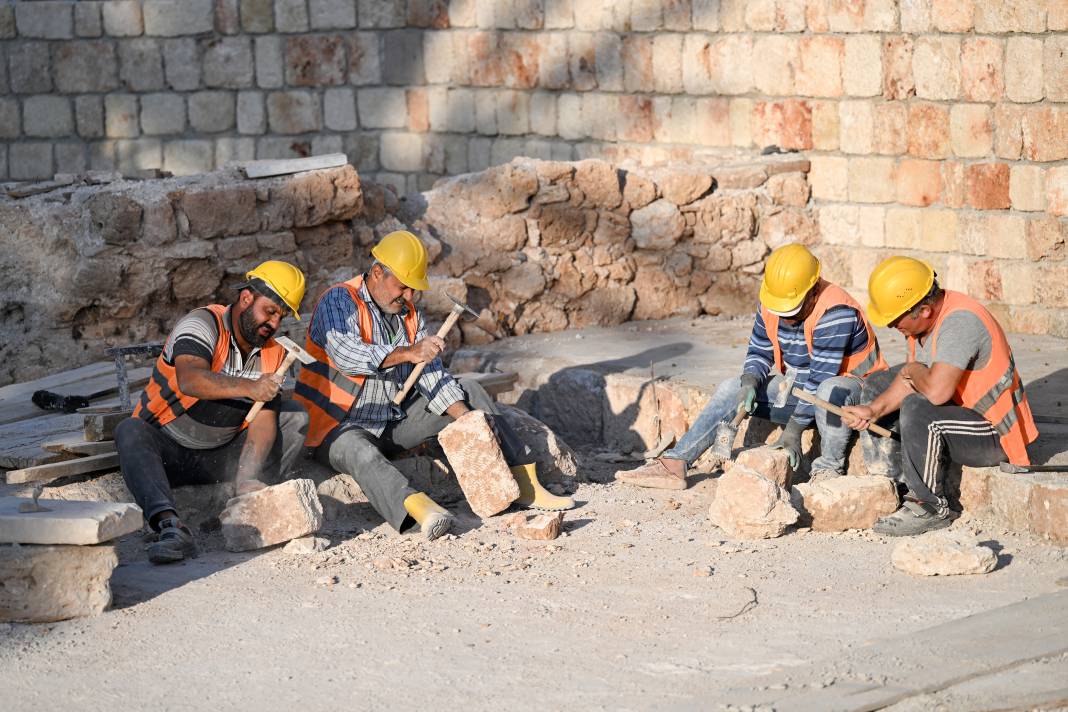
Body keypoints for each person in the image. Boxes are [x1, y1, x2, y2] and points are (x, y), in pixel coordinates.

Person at [294, 230, 572, 541]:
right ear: (376, 273)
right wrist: (409, 353)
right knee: (359, 452)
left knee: (471, 393)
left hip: (390, 420)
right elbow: (348, 356)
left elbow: (432, 375)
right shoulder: (339, 301)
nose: (409, 297)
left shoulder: (406, 313)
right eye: (403, 287)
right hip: (335, 426)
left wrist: (468, 421)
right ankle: (421, 511)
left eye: (413, 290)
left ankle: (523, 483)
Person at [616, 243, 887, 490]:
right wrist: (750, 381)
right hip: (803, 391)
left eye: (792, 311)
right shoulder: (774, 300)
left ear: (813, 290)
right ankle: (677, 463)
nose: (785, 317)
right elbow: (760, 349)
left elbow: (818, 380)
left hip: (852, 395)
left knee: (830, 389)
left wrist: (794, 431)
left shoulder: (836, 311)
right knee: (730, 388)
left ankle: (828, 472)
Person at [115, 261, 310, 564]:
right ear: (247, 297)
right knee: (129, 431)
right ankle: (171, 527)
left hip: (220, 456)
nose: (273, 323)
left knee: (294, 416)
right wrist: (249, 386)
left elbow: (264, 420)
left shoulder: (274, 351)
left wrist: (247, 477)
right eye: (269, 311)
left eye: (280, 317)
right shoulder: (202, 324)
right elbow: (190, 379)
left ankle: (244, 508)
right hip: (170, 448)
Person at [840, 256, 1038, 536]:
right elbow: (912, 378)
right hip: (964, 413)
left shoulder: (959, 324)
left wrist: (913, 370)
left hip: (996, 434)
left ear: (923, 310)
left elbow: (935, 392)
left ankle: (930, 506)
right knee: (882, 382)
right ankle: (898, 482)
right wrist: (872, 410)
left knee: (918, 408)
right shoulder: (926, 323)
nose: (892, 326)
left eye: (896, 319)